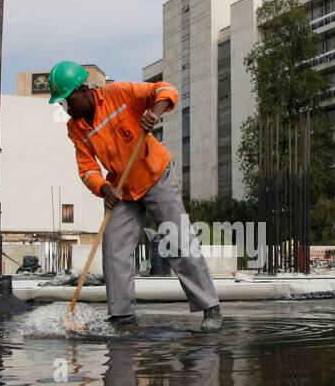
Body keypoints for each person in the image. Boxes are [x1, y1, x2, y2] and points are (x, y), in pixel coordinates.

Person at [48, 60, 222, 330]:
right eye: (62, 104)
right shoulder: (76, 128)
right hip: (122, 188)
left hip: (155, 175)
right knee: (114, 245)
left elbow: (165, 90)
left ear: (83, 90)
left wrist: (154, 112)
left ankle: (210, 308)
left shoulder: (118, 93)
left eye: (67, 101)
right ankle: (122, 316)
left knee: (177, 240)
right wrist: (102, 187)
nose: (66, 108)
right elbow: (87, 168)